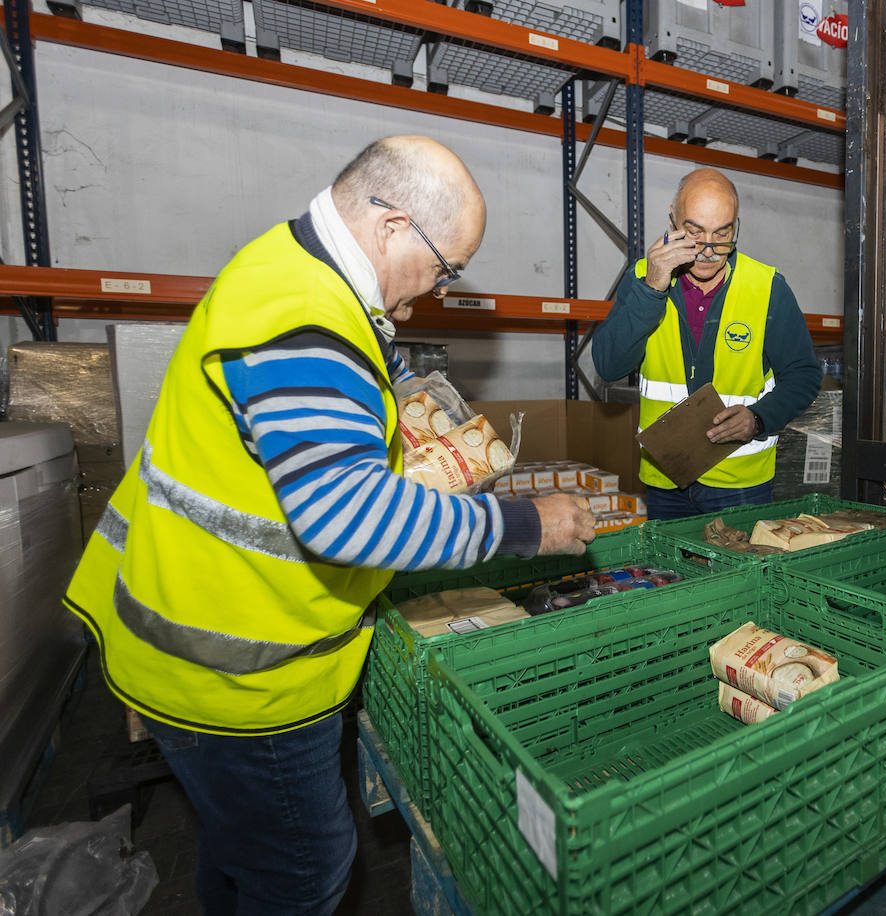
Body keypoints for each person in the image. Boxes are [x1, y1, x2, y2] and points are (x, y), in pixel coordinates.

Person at [62, 136, 595, 915]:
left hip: (197, 634)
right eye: (445, 268)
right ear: (392, 226)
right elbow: (345, 518)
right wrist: (525, 525)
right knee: (304, 870)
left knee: (239, 855)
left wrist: (400, 389)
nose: (438, 291)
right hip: (241, 679)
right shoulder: (305, 316)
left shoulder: (291, 267)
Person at [592, 167, 822, 520]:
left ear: (737, 227)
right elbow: (609, 365)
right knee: (669, 576)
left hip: (740, 482)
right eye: (694, 232)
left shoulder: (767, 287)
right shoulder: (642, 278)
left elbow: (804, 376)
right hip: (665, 480)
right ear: (672, 218)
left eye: (722, 233)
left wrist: (759, 419)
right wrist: (653, 288)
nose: (709, 250)